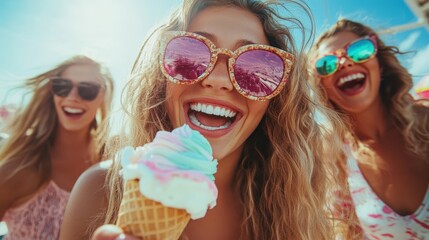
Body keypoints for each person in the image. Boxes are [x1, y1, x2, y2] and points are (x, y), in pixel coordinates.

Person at [60, 1, 349, 240]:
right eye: (190, 55)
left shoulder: (299, 206)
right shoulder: (99, 190)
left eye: (257, 69)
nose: (219, 79)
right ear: (162, 77)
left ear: (276, 99)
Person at [310, 19, 429, 239]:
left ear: (380, 64)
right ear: (322, 86)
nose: (344, 62)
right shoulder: (336, 165)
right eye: (327, 63)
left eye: (359, 50)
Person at [0, 55, 114, 239]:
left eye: (87, 90)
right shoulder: (20, 166)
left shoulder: (114, 165)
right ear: (53, 92)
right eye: (63, 86)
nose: (72, 97)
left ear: (102, 96)